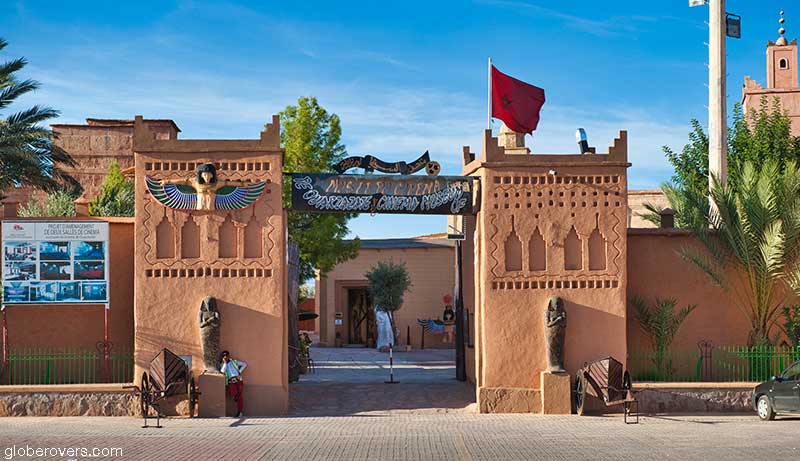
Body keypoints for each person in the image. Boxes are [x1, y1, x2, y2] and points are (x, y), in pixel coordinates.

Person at [220, 350, 247, 417]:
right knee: (234, 392)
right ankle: (235, 396)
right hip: (231, 381)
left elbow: (244, 364)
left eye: (227, 355)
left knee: (240, 397)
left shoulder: (234, 362)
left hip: (238, 380)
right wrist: (225, 363)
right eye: (224, 356)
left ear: (229, 356)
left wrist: (239, 372)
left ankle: (240, 412)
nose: (226, 357)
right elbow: (222, 371)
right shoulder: (222, 364)